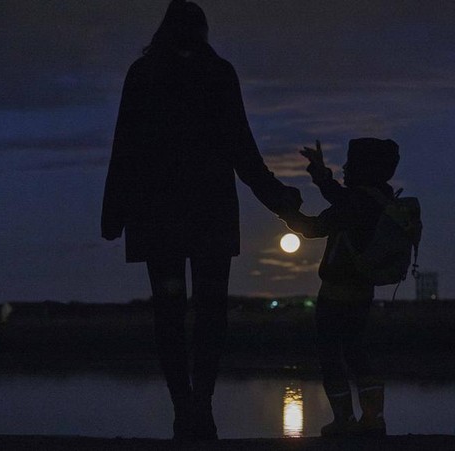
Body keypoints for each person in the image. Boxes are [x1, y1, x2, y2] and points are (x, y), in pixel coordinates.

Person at [101, 0, 302, 440]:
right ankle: (199, 406)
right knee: (208, 313)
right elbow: (242, 149)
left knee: (172, 315)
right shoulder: (216, 74)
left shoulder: (145, 75)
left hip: (160, 216)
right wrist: (281, 202)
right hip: (205, 213)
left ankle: (186, 407)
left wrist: (114, 212)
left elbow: (125, 148)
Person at [280, 138, 400, 437]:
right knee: (357, 352)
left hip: (335, 293)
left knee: (331, 355)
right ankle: (373, 420)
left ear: (364, 168)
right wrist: (321, 173)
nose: (345, 168)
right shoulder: (381, 201)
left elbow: (314, 227)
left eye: (350, 163)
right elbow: (337, 195)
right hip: (364, 292)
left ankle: (344, 421)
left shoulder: (354, 204)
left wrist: (286, 213)